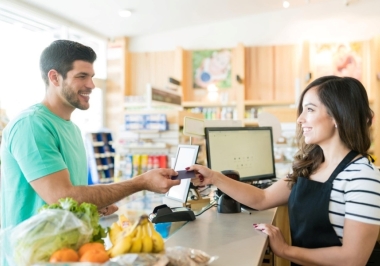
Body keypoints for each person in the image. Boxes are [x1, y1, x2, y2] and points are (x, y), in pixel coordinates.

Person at [189, 76, 380, 266]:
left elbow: (353, 259)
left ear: (338, 116)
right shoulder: (311, 165)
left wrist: (284, 250)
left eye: (310, 110)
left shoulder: (362, 176)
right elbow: (262, 198)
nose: (300, 119)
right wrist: (214, 177)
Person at [0, 40, 180, 230]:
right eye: (82, 76)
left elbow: (72, 199)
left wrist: (94, 205)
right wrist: (140, 182)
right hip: (31, 255)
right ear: (54, 78)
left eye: (92, 76)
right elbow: (62, 197)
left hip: (67, 251)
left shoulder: (72, 129)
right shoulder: (32, 125)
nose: (91, 85)